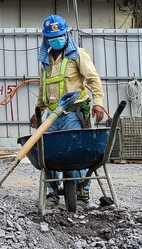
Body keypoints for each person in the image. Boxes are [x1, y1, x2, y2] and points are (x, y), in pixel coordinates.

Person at [29, 15, 108, 208]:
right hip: (52, 115)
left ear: (66, 34)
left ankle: (81, 193)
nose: (56, 40)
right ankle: (53, 193)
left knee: (77, 153)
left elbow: (93, 79)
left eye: (60, 35)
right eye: (52, 36)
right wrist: (38, 110)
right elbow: (43, 88)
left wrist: (98, 102)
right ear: (46, 38)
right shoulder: (46, 60)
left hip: (74, 112)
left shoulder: (77, 54)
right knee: (49, 154)